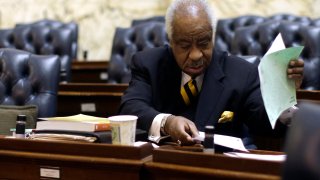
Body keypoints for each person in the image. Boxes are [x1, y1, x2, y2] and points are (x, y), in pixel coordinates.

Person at [118, 0, 304, 147]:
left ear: (213, 37)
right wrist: (167, 122)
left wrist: (283, 95)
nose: (196, 55)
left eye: (204, 43)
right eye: (185, 46)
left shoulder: (241, 73)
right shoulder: (148, 64)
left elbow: (265, 123)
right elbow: (130, 107)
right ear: (171, 41)